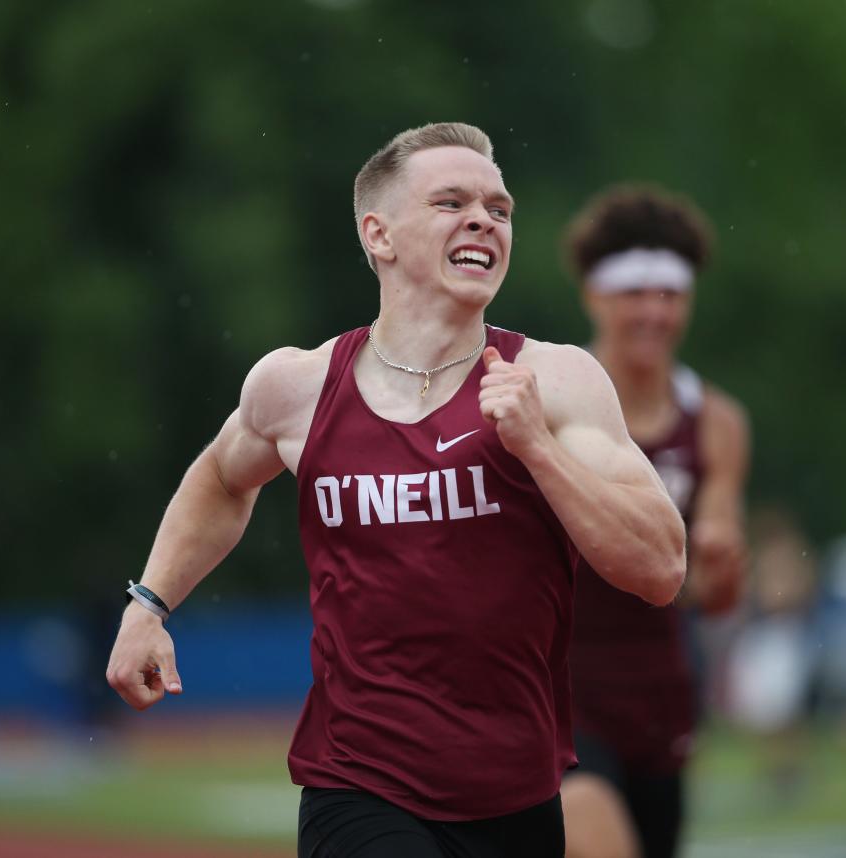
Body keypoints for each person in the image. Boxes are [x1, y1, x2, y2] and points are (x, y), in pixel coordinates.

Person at [106, 124, 686, 858]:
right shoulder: (298, 386)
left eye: (499, 209)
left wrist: (537, 448)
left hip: (518, 793)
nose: (484, 220)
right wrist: (148, 605)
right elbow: (220, 480)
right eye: (451, 202)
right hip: (359, 785)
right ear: (378, 235)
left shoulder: (557, 381)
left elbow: (661, 568)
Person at [560, 185, 751, 858]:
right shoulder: (547, 403)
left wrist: (723, 565)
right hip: (557, 690)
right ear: (593, 296)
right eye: (633, 293)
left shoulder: (717, 424)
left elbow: (712, 592)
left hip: (661, 696)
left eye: (670, 295)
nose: (653, 312)